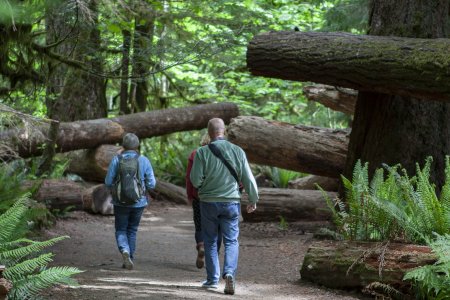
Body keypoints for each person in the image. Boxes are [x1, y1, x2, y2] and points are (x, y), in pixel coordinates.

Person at [190, 118, 258, 295]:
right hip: (231, 203)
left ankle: (212, 280)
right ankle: (229, 273)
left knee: (211, 241)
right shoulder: (237, 151)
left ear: (209, 133)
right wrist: (253, 199)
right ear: (224, 131)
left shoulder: (202, 152)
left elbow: (195, 180)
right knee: (231, 240)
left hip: (208, 203)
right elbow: (248, 178)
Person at [105, 133, 156, 270]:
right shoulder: (144, 160)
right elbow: (152, 184)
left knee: (121, 229)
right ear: (137, 145)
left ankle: (125, 251)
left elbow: (108, 181)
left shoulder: (117, 159)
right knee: (132, 230)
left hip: (120, 202)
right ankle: (130, 257)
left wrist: (116, 189)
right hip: (139, 202)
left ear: (123, 145)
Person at [186, 134, 222, 269]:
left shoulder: (195, 154)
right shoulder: (225, 152)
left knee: (200, 224)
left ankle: (201, 245)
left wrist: (190, 194)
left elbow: (189, 177)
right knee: (218, 227)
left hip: (199, 196)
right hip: (219, 196)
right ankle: (213, 256)